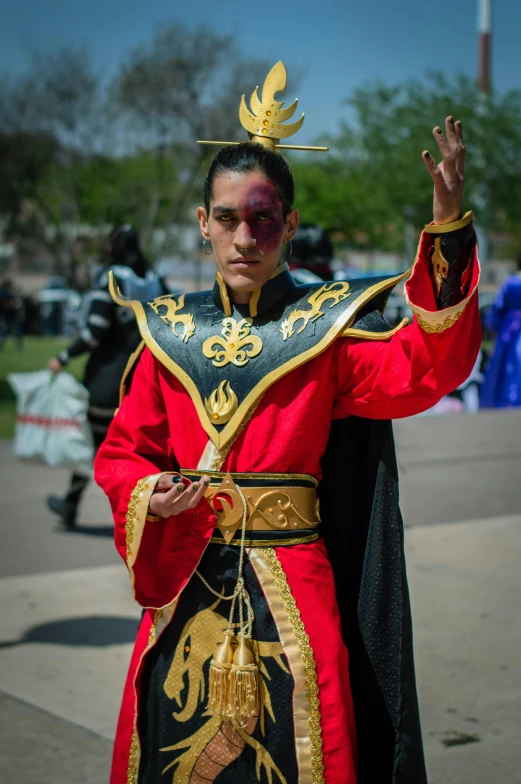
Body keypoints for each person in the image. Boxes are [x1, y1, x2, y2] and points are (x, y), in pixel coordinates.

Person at [94, 63, 480, 784]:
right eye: (229, 218)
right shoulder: (167, 334)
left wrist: (447, 232)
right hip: (188, 580)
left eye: (263, 218)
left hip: (294, 588)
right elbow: (123, 452)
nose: (246, 236)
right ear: (202, 222)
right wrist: (150, 495)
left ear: (290, 226)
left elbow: (429, 367)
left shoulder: (322, 331)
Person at [46, 224, 164, 528]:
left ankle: (127, 513)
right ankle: (78, 505)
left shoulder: (111, 280)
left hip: (107, 379)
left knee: (98, 446)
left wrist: (63, 356)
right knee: (135, 447)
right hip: (143, 377)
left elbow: (95, 331)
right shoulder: (153, 281)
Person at [480, 252, 521, 407]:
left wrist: (494, 326)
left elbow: (497, 309)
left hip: (510, 330)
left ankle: (506, 400)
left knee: (507, 364)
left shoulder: (510, 283)